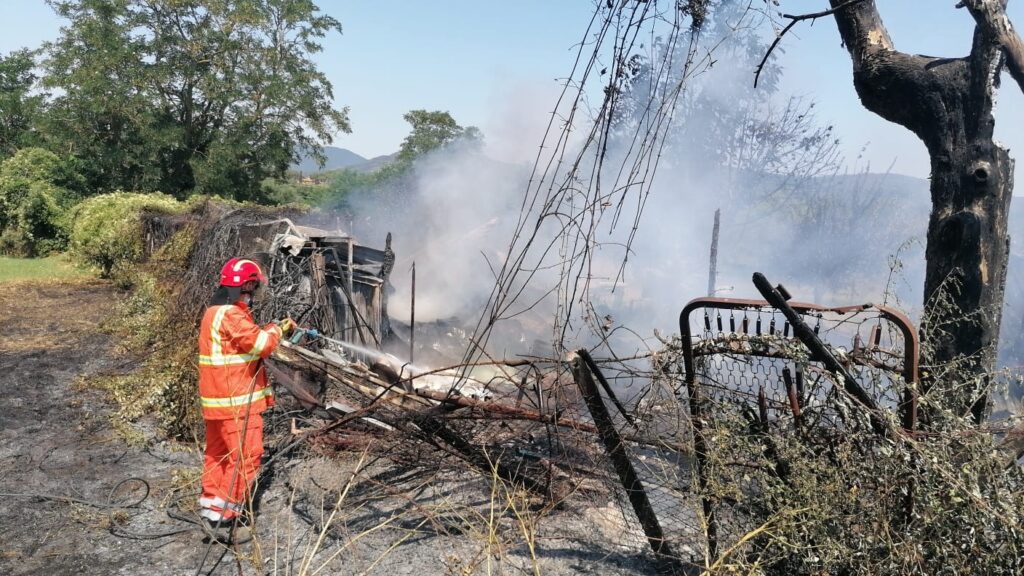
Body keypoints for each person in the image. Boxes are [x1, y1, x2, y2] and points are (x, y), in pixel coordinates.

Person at [197, 257, 293, 538]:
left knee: (218, 455)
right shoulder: (231, 314)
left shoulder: (214, 312)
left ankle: (211, 511)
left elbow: (241, 346)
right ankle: (226, 519)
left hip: (217, 402)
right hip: (236, 403)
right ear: (246, 285)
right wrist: (278, 329)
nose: (253, 293)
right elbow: (261, 344)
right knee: (246, 457)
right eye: (253, 287)